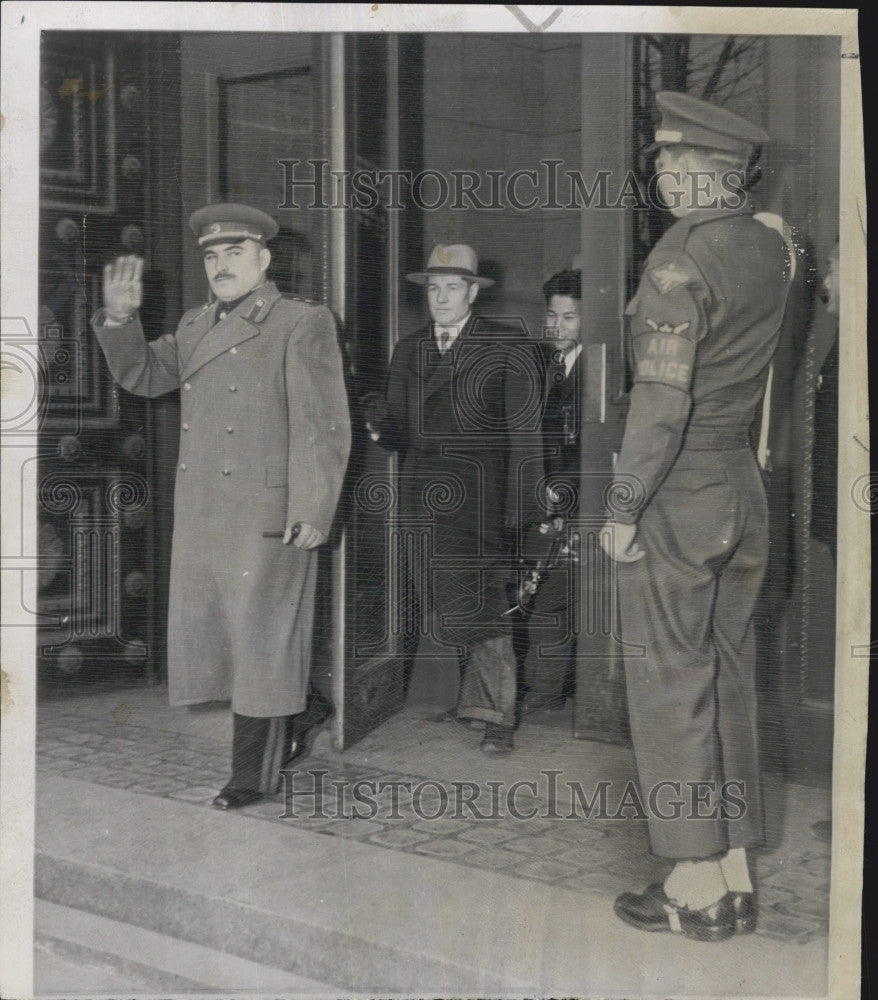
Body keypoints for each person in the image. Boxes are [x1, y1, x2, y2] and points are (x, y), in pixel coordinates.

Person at [601, 92, 792, 940]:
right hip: (744, 491)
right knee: (727, 676)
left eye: (681, 167)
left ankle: (692, 886)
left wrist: (623, 504)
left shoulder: (680, 258)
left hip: (679, 489)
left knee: (670, 685)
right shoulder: (772, 247)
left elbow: (662, 400)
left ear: (719, 173)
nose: (667, 179)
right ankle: (736, 871)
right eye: (666, 166)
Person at [92, 203, 351, 810]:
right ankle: (307, 706)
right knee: (232, 640)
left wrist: (314, 507)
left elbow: (322, 425)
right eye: (211, 256)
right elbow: (143, 374)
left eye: (234, 254)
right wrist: (119, 317)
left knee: (262, 645)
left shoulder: (300, 322)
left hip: (270, 515)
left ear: (264, 260)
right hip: (208, 511)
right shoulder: (195, 325)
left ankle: (251, 776)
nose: (220, 266)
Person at [365, 244, 541, 755]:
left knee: (485, 605)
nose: (441, 297)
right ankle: (473, 701)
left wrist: (523, 509)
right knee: (447, 604)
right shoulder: (409, 349)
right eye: (434, 288)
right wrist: (377, 421)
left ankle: (498, 717)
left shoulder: (506, 346)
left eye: (452, 287)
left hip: (481, 499)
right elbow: (397, 432)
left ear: (471, 292)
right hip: (422, 496)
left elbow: (525, 436)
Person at [518, 268, 583, 716]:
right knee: (539, 595)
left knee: (553, 599)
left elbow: (593, 445)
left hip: (577, 501)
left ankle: (546, 693)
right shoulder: (540, 363)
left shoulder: (603, 369)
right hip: (541, 498)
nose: (557, 325)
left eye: (570, 317)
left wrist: (563, 495)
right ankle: (545, 689)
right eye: (553, 315)